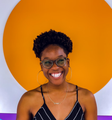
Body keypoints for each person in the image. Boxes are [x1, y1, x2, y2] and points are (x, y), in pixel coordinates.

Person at [16, 29, 97, 120]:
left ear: (68, 63)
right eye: (47, 62)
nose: (55, 67)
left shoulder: (86, 97)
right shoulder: (28, 100)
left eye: (60, 60)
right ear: (41, 66)